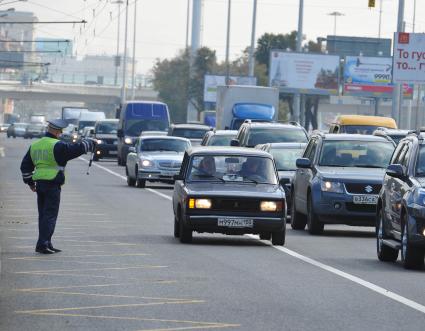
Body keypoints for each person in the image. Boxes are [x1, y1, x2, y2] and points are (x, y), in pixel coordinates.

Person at [20, 119, 96, 254]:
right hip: (52, 182)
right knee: (50, 215)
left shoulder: (35, 145)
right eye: (60, 131)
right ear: (55, 131)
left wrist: (30, 182)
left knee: (43, 215)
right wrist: (88, 143)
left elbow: (25, 166)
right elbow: (74, 150)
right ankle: (43, 244)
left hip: (40, 184)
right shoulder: (57, 145)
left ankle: (46, 242)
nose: (61, 133)